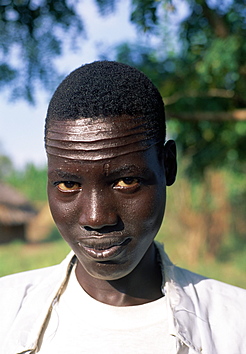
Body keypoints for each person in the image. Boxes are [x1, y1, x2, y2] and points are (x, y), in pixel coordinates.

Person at [0, 61, 245, 354]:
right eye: (68, 185)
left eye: (126, 181)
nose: (96, 217)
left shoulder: (235, 327)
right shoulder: (7, 311)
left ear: (168, 166)